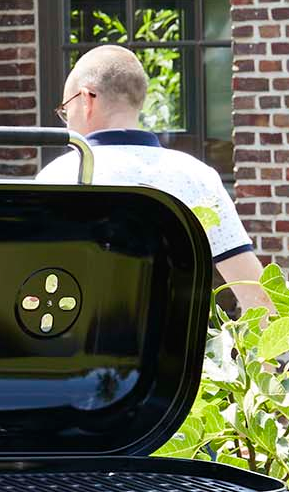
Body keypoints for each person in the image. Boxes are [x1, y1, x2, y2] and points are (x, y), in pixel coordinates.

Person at [41, 45, 273, 313]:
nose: (67, 121)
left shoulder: (59, 176)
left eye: (65, 110)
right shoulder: (196, 176)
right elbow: (257, 296)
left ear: (86, 99)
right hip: (177, 339)